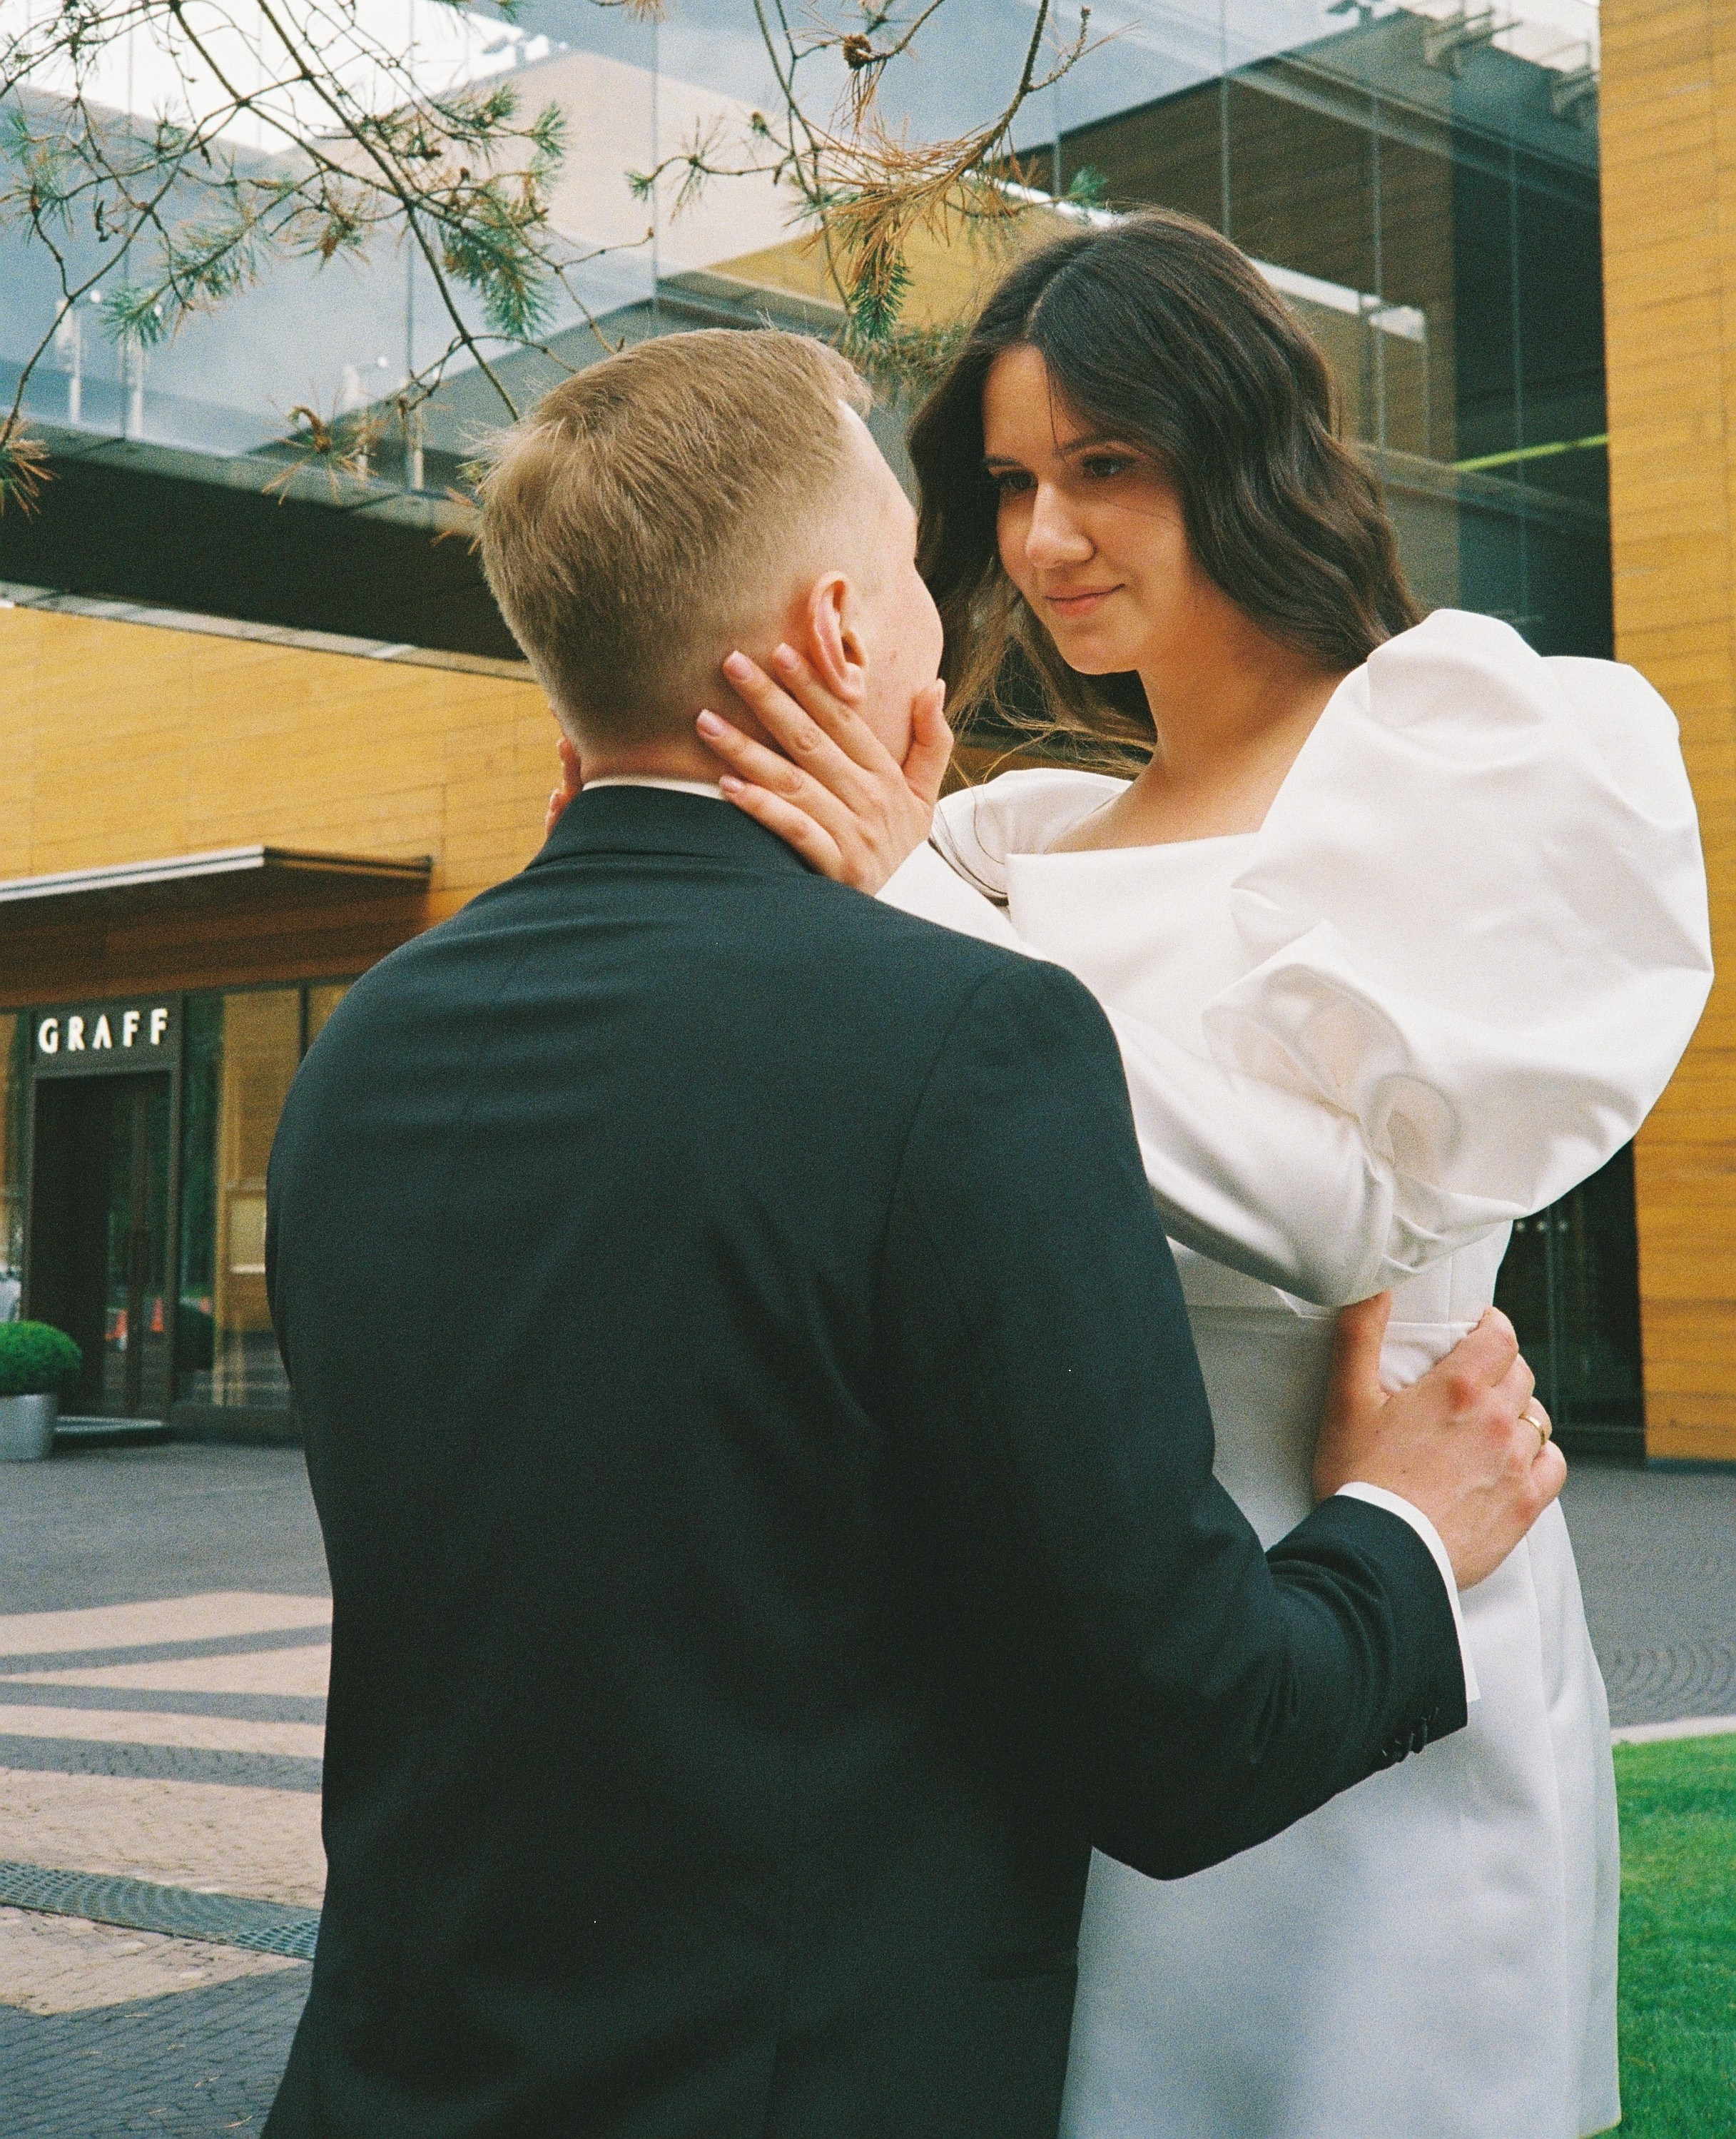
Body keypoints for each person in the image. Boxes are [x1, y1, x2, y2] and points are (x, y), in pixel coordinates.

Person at [265, 327, 1562, 2139]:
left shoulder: (367, 1048)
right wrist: (1409, 1526)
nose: (961, 603)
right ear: (838, 631)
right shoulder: (966, 1041)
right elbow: (1181, 1737)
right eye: (906, 565)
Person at [690, 220, 1715, 2139]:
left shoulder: (1458, 738)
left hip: (1391, 1590)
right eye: (1007, 481)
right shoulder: (1015, 838)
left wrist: (898, 878)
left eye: (1104, 464)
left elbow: (1340, 1201)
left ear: (1236, 448)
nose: (1045, 533)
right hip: (1090, 1619)